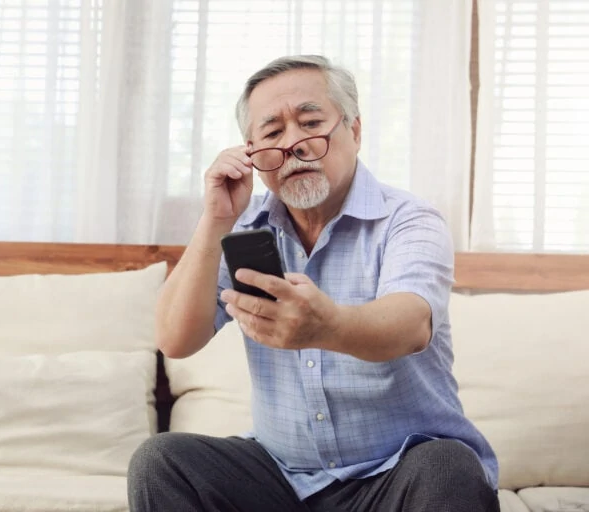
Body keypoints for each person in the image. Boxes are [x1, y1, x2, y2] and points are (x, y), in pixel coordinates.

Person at [127, 55, 500, 512]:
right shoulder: (242, 229)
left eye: (310, 122)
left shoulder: (408, 219)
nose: (295, 144)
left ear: (355, 132)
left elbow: (410, 325)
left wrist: (326, 326)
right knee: (162, 460)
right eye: (272, 133)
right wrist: (215, 219)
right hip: (283, 480)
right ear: (253, 154)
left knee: (448, 466)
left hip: (397, 474)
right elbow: (175, 339)